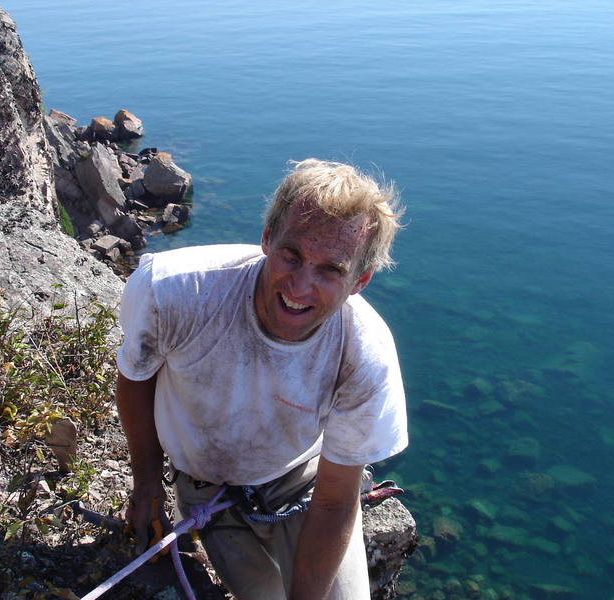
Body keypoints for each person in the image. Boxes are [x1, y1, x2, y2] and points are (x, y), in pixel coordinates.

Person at [115, 158, 408, 600]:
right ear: (267, 239)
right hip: (205, 485)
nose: (299, 287)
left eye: (331, 269)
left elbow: (333, 501)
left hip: (300, 482)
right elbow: (136, 380)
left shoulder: (364, 354)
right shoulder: (175, 291)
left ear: (359, 281)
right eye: (292, 255)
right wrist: (147, 485)